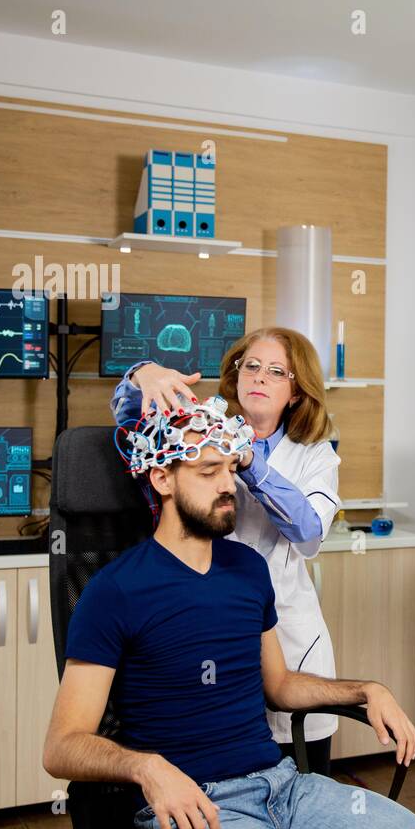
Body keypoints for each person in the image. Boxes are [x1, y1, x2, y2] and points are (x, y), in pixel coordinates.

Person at [42, 402, 415, 829]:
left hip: (286, 789)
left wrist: (367, 690)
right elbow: (62, 746)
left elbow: (280, 685)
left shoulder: (247, 568)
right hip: (197, 805)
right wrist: (146, 768)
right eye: (208, 472)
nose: (228, 485)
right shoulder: (115, 590)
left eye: (230, 469)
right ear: (162, 479)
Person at [109, 328, 341, 776]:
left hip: (290, 640)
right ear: (235, 375)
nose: (259, 377)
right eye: (250, 366)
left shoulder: (316, 457)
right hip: (206, 627)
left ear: (296, 392)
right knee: (222, 775)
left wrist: (252, 463)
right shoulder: (198, 430)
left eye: (277, 371)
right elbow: (130, 421)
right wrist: (143, 372)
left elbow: (309, 534)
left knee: (303, 787)